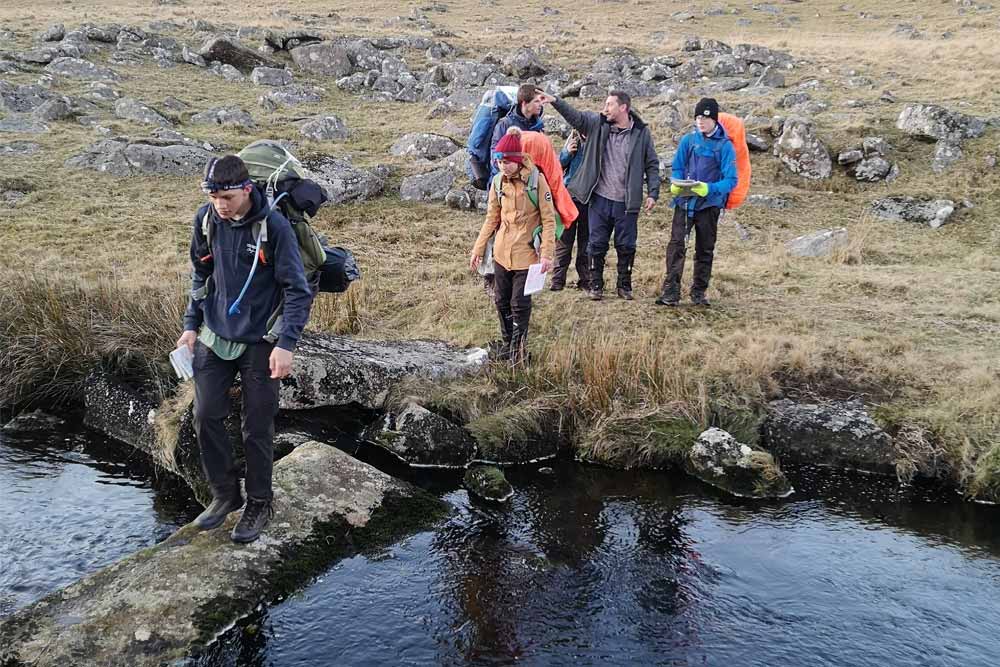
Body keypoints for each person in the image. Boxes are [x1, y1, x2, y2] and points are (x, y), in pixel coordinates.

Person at [176, 155, 315, 543]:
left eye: (227, 197)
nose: (221, 205)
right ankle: (224, 495)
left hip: (260, 340)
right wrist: (190, 326)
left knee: (256, 426)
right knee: (205, 415)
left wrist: (286, 344)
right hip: (215, 334)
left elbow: (297, 291)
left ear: (246, 189)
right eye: (214, 196)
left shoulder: (274, 227)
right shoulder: (206, 221)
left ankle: (259, 502)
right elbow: (200, 275)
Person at [538, 90, 660, 301]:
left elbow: (651, 163)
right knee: (596, 245)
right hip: (600, 199)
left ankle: (624, 286)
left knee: (626, 246)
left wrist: (653, 193)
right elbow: (576, 117)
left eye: (610, 104)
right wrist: (555, 101)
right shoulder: (598, 124)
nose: (605, 108)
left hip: (627, 201)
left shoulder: (641, 133)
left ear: (623, 107)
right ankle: (596, 285)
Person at [469, 131, 555, 364]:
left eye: (506, 161)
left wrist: (547, 254)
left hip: (527, 255)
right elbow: (491, 218)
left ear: (517, 160)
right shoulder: (497, 183)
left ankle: (518, 350)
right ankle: (508, 345)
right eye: (499, 161)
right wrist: (478, 249)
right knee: (501, 300)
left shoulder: (537, 181)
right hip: (501, 253)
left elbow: (549, 220)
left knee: (519, 302)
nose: (501, 166)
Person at [656, 97, 737, 307]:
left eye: (705, 117)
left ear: (714, 119)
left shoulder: (725, 146)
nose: (701, 121)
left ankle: (699, 293)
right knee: (676, 246)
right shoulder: (688, 141)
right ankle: (671, 293)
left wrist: (709, 189)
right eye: (698, 117)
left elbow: (731, 180)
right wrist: (675, 183)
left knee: (705, 249)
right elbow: (677, 167)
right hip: (684, 203)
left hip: (709, 206)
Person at [550, 129, 591, 291]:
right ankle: (558, 280)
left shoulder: (597, 145)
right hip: (569, 199)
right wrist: (567, 152)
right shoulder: (573, 142)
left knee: (586, 242)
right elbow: (558, 165)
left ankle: (585, 280)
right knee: (564, 242)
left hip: (589, 199)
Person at [488, 84, 545, 180]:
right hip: (506, 183)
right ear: (524, 103)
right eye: (536, 101)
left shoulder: (538, 126)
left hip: (530, 181)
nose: (541, 105)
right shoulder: (505, 124)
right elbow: (495, 156)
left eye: (541, 101)